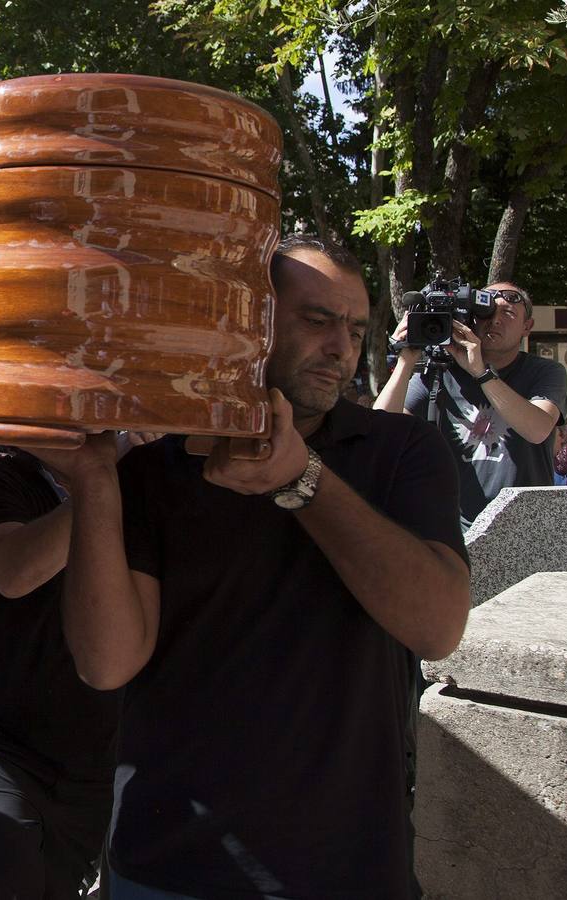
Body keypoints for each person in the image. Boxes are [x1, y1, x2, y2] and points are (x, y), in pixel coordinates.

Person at [60, 235, 471, 899]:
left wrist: (304, 482)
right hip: (169, 866)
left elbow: (438, 627)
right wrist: (93, 481)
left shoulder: (402, 452)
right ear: (246, 320)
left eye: (356, 328)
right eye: (317, 320)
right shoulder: (153, 471)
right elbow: (105, 663)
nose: (341, 347)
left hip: (348, 867)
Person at [0, 446, 123, 900]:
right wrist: (102, 486)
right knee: (12, 874)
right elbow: (15, 571)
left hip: (87, 755)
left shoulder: (138, 485)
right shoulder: (5, 481)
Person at [374, 281, 567, 528]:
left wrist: (481, 373)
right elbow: (380, 430)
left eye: (508, 313)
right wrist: (406, 360)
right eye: (486, 312)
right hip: (455, 527)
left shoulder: (545, 372)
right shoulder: (440, 372)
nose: (495, 320)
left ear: (527, 327)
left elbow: (537, 429)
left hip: (527, 526)